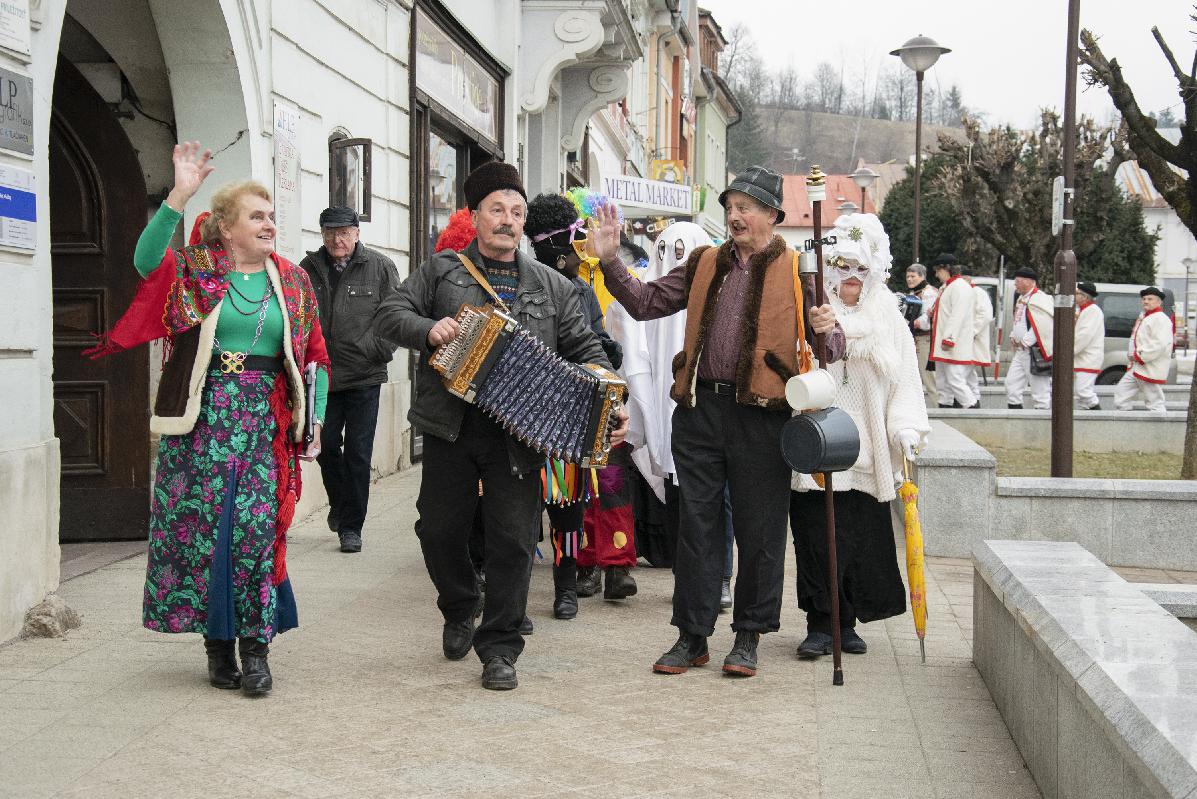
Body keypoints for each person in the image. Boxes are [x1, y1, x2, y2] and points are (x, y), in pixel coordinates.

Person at [85, 142, 330, 696]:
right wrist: (178, 194)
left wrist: (312, 419)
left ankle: (257, 652)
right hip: (202, 423)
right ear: (226, 228)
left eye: (271, 216)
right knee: (205, 537)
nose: (269, 224)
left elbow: (315, 356)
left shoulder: (292, 281)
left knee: (255, 538)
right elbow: (145, 262)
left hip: (265, 425)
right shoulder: (196, 271)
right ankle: (218, 651)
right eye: (256, 216)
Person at [373, 161, 626, 691]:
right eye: (497, 210)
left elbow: (585, 348)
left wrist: (604, 390)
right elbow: (389, 314)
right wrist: (429, 327)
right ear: (475, 216)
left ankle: (501, 648)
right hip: (451, 426)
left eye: (516, 211)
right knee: (439, 530)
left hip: (521, 432)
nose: (508, 220)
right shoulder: (441, 271)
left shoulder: (555, 286)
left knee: (513, 540)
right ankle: (461, 604)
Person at [591, 164, 843, 679]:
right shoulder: (705, 261)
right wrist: (611, 260)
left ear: (772, 215)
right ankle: (692, 636)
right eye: (731, 207)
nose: (736, 216)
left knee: (760, 529)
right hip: (699, 410)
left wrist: (827, 327)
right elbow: (644, 303)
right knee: (697, 529)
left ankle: (748, 636)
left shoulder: (799, 269)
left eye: (747, 207)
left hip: (764, 417)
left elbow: (830, 348)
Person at [790, 213, 929, 659]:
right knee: (815, 539)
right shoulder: (809, 310)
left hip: (866, 449)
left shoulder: (889, 317)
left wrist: (906, 429)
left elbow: (906, 380)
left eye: (861, 269)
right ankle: (819, 623)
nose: (850, 278)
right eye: (843, 266)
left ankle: (845, 622)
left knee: (856, 539)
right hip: (817, 445)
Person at [523, 191, 624, 619]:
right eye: (574, 236)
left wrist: (606, 352)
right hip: (521, 416)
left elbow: (599, 345)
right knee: (520, 511)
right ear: (552, 244)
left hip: (569, 415)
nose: (578, 243)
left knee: (567, 508)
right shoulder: (517, 281)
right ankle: (513, 600)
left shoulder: (581, 290)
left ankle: (565, 589)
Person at [300, 207, 400, 554]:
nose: (336, 240)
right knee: (323, 444)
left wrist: (376, 350)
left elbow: (395, 316)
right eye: (330, 233)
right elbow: (298, 317)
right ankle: (341, 505)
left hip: (364, 375)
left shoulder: (380, 266)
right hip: (323, 376)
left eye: (343, 232)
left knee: (358, 452)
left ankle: (351, 526)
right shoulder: (307, 268)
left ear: (357, 233)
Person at [929, 254, 979, 408]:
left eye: (938, 271)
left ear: (946, 269)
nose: (937, 275)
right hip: (944, 343)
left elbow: (958, 315)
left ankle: (973, 409)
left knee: (955, 379)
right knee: (943, 382)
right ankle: (946, 409)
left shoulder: (960, 287)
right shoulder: (948, 287)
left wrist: (949, 338)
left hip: (953, 343)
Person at [1114, 286, 1173, 413]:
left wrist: (1138, 355)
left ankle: (1161, 427)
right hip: (1137, 365)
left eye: (1150, 299)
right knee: (1121, 393)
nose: (1145, 301)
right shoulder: (1145, 316)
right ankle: (1124, 421)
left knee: (1154, 400)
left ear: (1159, 302)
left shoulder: (1161, 319)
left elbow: (1159, 344)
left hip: (1149, 365)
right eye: (1144, 299)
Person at [1005, 267, 1054, 410]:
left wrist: (1026, 341)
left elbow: (1042, 324)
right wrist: (1013, 335)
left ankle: (1041, 421)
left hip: (1034, 351)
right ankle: (1015, 417)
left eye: (1018, 281)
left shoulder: (1040, 298)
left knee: (1040, 390)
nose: (1015, 284)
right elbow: (1018, 321)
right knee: (1011, 385)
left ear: (1028, 281)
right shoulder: (1021, 298)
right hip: (1021, 351)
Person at [905, 263, 939, 398]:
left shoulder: (929, 293)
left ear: (922, 276)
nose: (909, 279)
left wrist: (911, 324)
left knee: (930, 379)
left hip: (925, 339)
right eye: (907, 276)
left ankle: (941, 410)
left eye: (913, 276)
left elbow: (927, 320)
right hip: (914, 340)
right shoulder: (913, 293)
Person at [1074, 282, 1105, 410]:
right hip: (1081, 358)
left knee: (1083, 391)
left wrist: (1069, 350)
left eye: (1076, 293)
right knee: (1080, 394)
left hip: (1088, 358)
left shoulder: (1093, 311)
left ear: (1085, 296)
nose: (1074, 296)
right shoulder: (1082, 310)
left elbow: (1084, 336)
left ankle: (1100, 416)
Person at [967, 274, 995, 399]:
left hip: (973, 339)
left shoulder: (978, 293)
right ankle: (974, 398)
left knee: (962, 372)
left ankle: (971, 400)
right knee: (966, 372)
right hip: (963, 340)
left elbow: (985, 315)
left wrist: (972, 332)